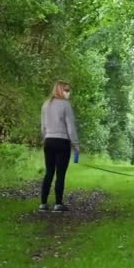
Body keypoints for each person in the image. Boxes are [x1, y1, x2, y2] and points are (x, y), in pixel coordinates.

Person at [39, 81, 79, 212]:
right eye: (66, 90)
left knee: (49, 172)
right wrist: (75, 144)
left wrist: (45, 138)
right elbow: (70, 126)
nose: (69, 92)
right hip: (62, 141)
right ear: (61, 90)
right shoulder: (65, 105)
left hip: (49, 141)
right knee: (60, 174)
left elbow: (43, 126)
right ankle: (58, 204)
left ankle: (43, 204)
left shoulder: (46, 104)